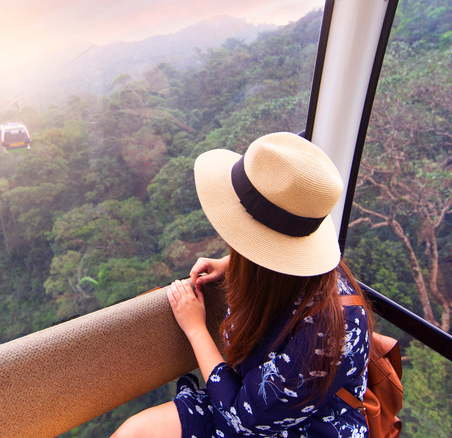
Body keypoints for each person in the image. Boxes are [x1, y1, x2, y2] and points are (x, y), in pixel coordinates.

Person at [112, 132, 372, 437]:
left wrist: (196, 329)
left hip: (294, 426)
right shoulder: (298, 275)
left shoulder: (325, 333)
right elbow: (282, 259)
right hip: (250, 401)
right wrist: (233, 262)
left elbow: (245, 419)